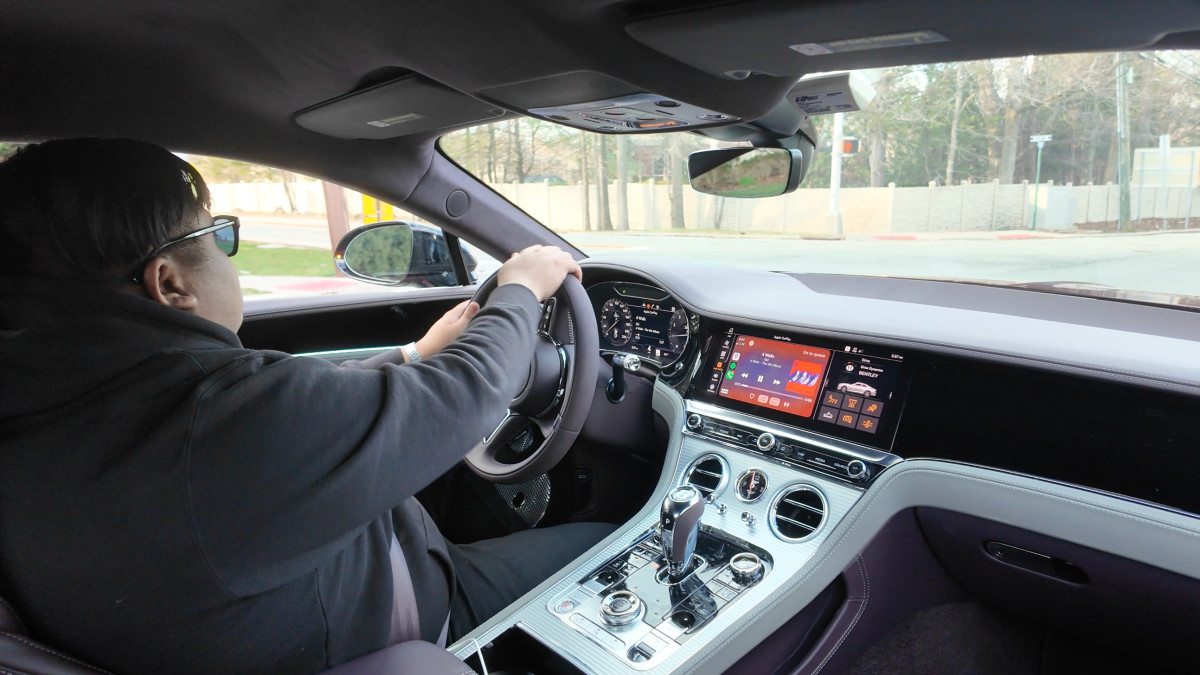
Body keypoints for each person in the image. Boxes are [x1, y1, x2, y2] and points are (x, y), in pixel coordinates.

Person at [0, 138, 614, 674]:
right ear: (170, 283)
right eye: (217, 235)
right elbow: (471, 391)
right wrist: (521, 289)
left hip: (302, 604)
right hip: (410, 622)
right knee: (608, 545)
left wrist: (414, 354)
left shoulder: (64, 403)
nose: (226, 250)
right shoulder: (213, 418)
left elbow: (300, 412)